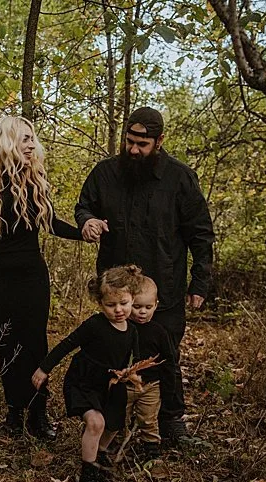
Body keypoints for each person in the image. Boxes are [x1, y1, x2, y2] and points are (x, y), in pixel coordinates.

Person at [74, 106, 214, 446]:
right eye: (129, 141)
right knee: (112, 356)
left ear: (159, 141)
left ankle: (170, 424)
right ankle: (109, 423)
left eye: (142, 144)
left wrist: (200, 282)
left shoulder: (180, 178)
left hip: (162, 289)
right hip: (117, 292)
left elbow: (201, 233)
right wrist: (87, 221)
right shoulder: (105, 173)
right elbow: (84, 206)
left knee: (165, 357)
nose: (134, 150)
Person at [0, 115, 84, 439]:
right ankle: (14, 412)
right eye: (25, 138)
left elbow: (52, 223)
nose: (32, 144)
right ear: (8, 141)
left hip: (32, 274)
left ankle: (38, 415)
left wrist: (84, 233)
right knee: (5, 343)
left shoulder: (35, 180)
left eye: (33, 138)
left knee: (34, 343)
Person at [32, 265, 144, 482]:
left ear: (133, 298)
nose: (118, 310)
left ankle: (100, 452)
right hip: (84, 381)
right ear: (100, 303)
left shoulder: (132, 331)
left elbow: (133, 359)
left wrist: (131, 373)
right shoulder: (95, 325)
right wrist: (44, 368)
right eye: (110, 305)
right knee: (95, 422)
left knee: (113, 424)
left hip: (112, 384)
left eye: (124, 303)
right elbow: (67, 344)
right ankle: (88, 477)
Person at [124, 276, 168, 461]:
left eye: (148, 307)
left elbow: (168, 360)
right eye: (137, 306)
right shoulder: (122, 328)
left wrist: (168, 386)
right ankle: (117, 447)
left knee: (149, 419)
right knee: (120, 418)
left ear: (156, 305)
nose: (142, 312)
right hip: (124, 384)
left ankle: (151, 449)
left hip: (150, 385)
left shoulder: (159, 332)